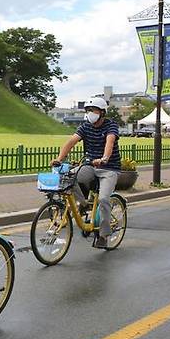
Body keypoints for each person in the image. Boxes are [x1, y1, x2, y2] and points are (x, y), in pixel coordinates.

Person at [51, 97, 121, 249]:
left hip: (109, 168)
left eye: (93, 110)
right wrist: (59, 159)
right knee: (68, 177)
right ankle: (83, 205)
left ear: (102, 112)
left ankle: (103, 235)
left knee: (103, 199)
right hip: (89, 166)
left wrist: (104, 158)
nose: (90, 113)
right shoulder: (85, 126)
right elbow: (71, 141)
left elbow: (110, 141)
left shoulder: (111, 126)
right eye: (88, 111)